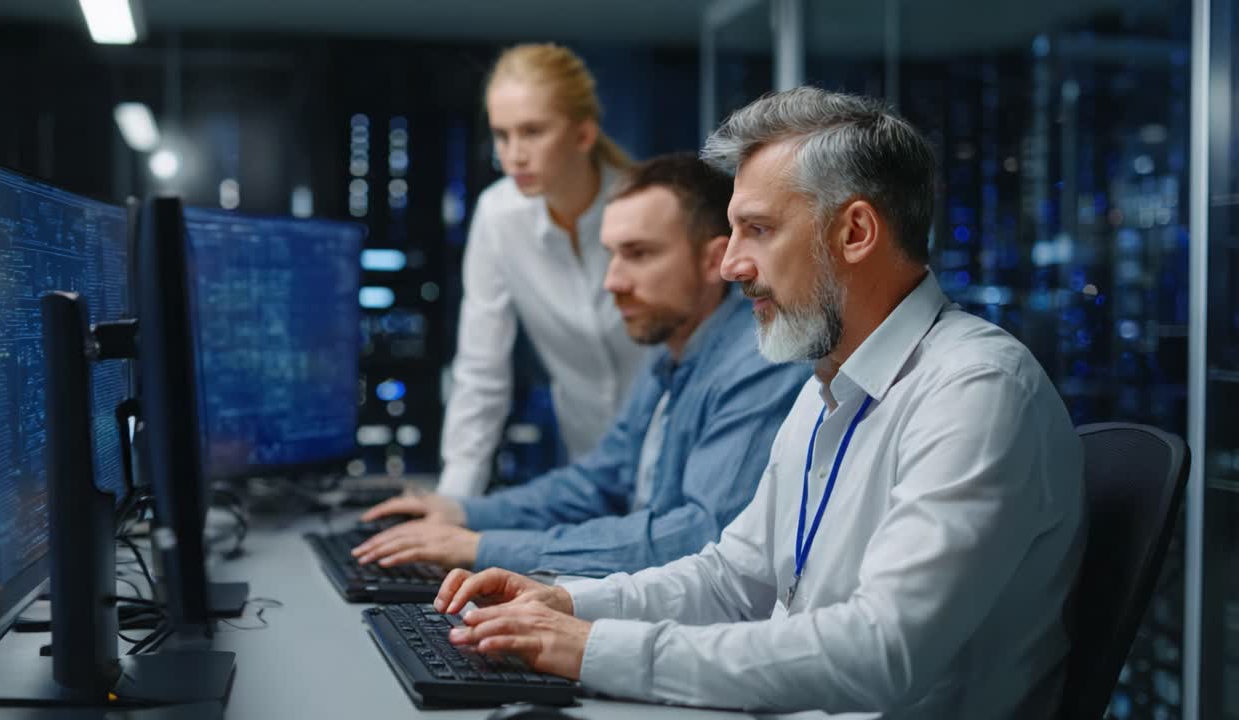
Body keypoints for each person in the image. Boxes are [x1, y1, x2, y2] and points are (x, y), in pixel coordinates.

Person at [428, 87, 1088, 718]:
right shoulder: (825, 388)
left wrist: (593, 649)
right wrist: (569, 602)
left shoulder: (976, 391)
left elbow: (880, 651)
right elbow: (730, 578)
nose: (730, 265)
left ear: (855, 231)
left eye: (758, 230)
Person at [353, 153, 811, 576]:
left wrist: (480, 548)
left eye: (638, 254)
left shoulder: (761, 360)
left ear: (715, 261)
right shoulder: (671, 353)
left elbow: (697, 541)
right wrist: (463, 515)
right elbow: (600, 481)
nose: (612, 281)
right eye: (610, 254)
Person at [437, 42, 647, 497]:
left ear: (583, 135)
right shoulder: (497, 217)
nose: (514, 155)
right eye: (502, 135)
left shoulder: (647, 208)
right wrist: (453, 503)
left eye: (532, 132)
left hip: (679, 461)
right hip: (589, 471)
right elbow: (480, 374)